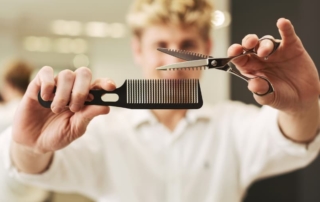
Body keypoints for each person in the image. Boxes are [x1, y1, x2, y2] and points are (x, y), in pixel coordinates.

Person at [1, 0, 320, 201]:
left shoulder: (233, 126)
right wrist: (29, 146)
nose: (174, 62)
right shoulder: (99, 130)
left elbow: (292, 138)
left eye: (185, 44)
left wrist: (301, 105)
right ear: (137, 50)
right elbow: (29, 177)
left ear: (206, 47)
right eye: (162, 45)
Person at [0, 59, 50, 202]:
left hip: (8, 194)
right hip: (38, 192)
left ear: (8, 83)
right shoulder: (41, 112)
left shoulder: (4, 115)